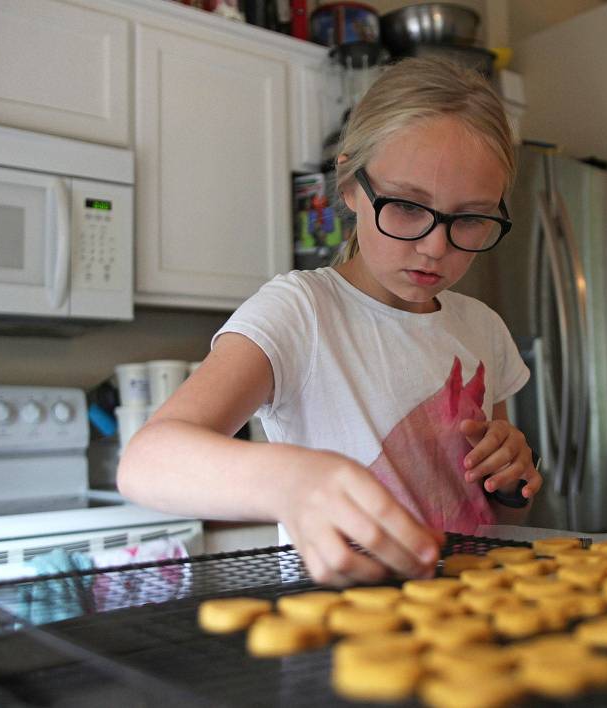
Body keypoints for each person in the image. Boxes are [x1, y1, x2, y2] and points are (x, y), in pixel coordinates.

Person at [118, 57, 542, 585]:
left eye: (472, 217)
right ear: (349, 186)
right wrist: (292, 481)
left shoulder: (482, 329)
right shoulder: (302, 312)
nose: (435, 247)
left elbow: (501, 519)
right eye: (408, 206)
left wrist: (511, 479)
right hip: (346, 632)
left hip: (473, 618)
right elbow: (146, 462)